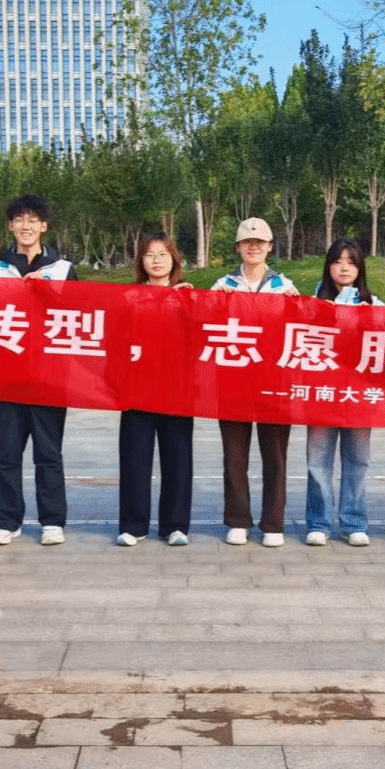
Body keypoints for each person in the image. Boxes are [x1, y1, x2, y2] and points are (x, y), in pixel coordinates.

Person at [0, 194, 77, 546]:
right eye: (19, 220)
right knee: (7, 454)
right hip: (9, 376)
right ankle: (6, 521)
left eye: (32, 220)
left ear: (44, 226)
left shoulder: (63, 270)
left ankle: (52, 520)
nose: (26, 226)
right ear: (10, 226)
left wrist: (49, 294)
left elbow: (79, 317)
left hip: (49, 377)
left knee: (48, 453)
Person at [212, 217, 298, 547]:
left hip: (275, 381)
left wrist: (296, 305)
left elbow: (301, 330)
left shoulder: (284, 286)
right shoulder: (222, 285)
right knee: (234, 455)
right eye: (247, 242)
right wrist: (213, 303)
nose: (253, 247)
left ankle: (273, 523)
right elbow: (205, 327)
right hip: (233, 381)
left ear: (270, 247)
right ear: (238, 247)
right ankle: (238, 520)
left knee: (275, 456)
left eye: (260, 243)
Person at [117, 234, 194, 547]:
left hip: (177, 390)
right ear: (141, 261)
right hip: (137, 389)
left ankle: (175, 525)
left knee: (178, 459)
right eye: (150, 255)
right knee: (135, 459)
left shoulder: (188, 297)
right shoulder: (129, 297)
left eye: (163, 254)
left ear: (174, 260)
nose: (157, 260)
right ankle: (133, 525)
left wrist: (192, 304)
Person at [304, 238, 381, 548]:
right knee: (317, 461)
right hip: (322, 393)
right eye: (337, 261)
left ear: (360, 267)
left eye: (351, 261)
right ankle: (318, 523)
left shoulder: (374, 304)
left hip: (359, 396)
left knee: (358, 460)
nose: (344, 267)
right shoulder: (311, 302)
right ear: (328, 266)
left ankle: (353, 522)